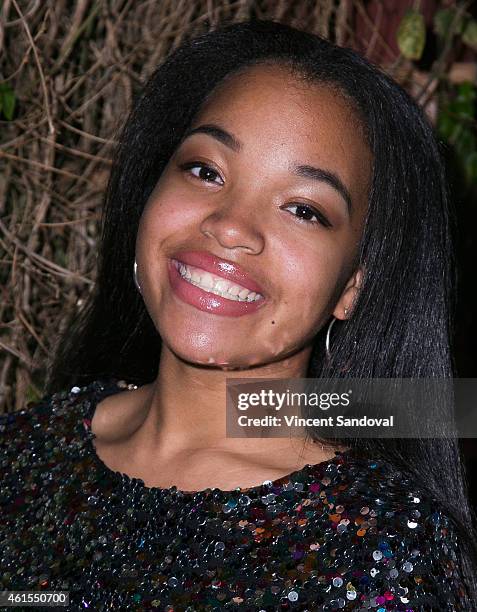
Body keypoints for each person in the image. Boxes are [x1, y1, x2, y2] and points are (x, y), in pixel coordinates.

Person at [1, 19, 476, 611]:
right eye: (205, 171)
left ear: (352, 286)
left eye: (303, 209)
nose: (230, 226)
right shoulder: (23, 456)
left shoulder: (381, 551)